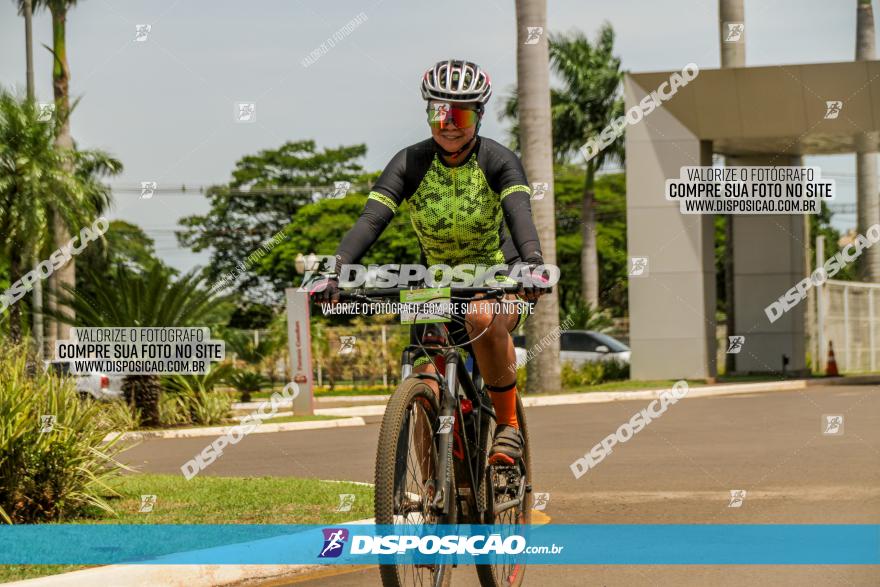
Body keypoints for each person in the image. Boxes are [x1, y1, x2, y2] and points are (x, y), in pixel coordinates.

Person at [313, 59, 546, 465]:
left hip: (499, 276)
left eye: (461, 113)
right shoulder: (410, 162)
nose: (449, 123)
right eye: (439, 112)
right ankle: (426, 499)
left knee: (480, 315)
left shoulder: (498, 160)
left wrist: (533, 263)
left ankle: (507, 427)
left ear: (480, 115)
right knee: (425, 382)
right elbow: (371, 219)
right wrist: (335, 267)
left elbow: (519, 214)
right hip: (436, 285)